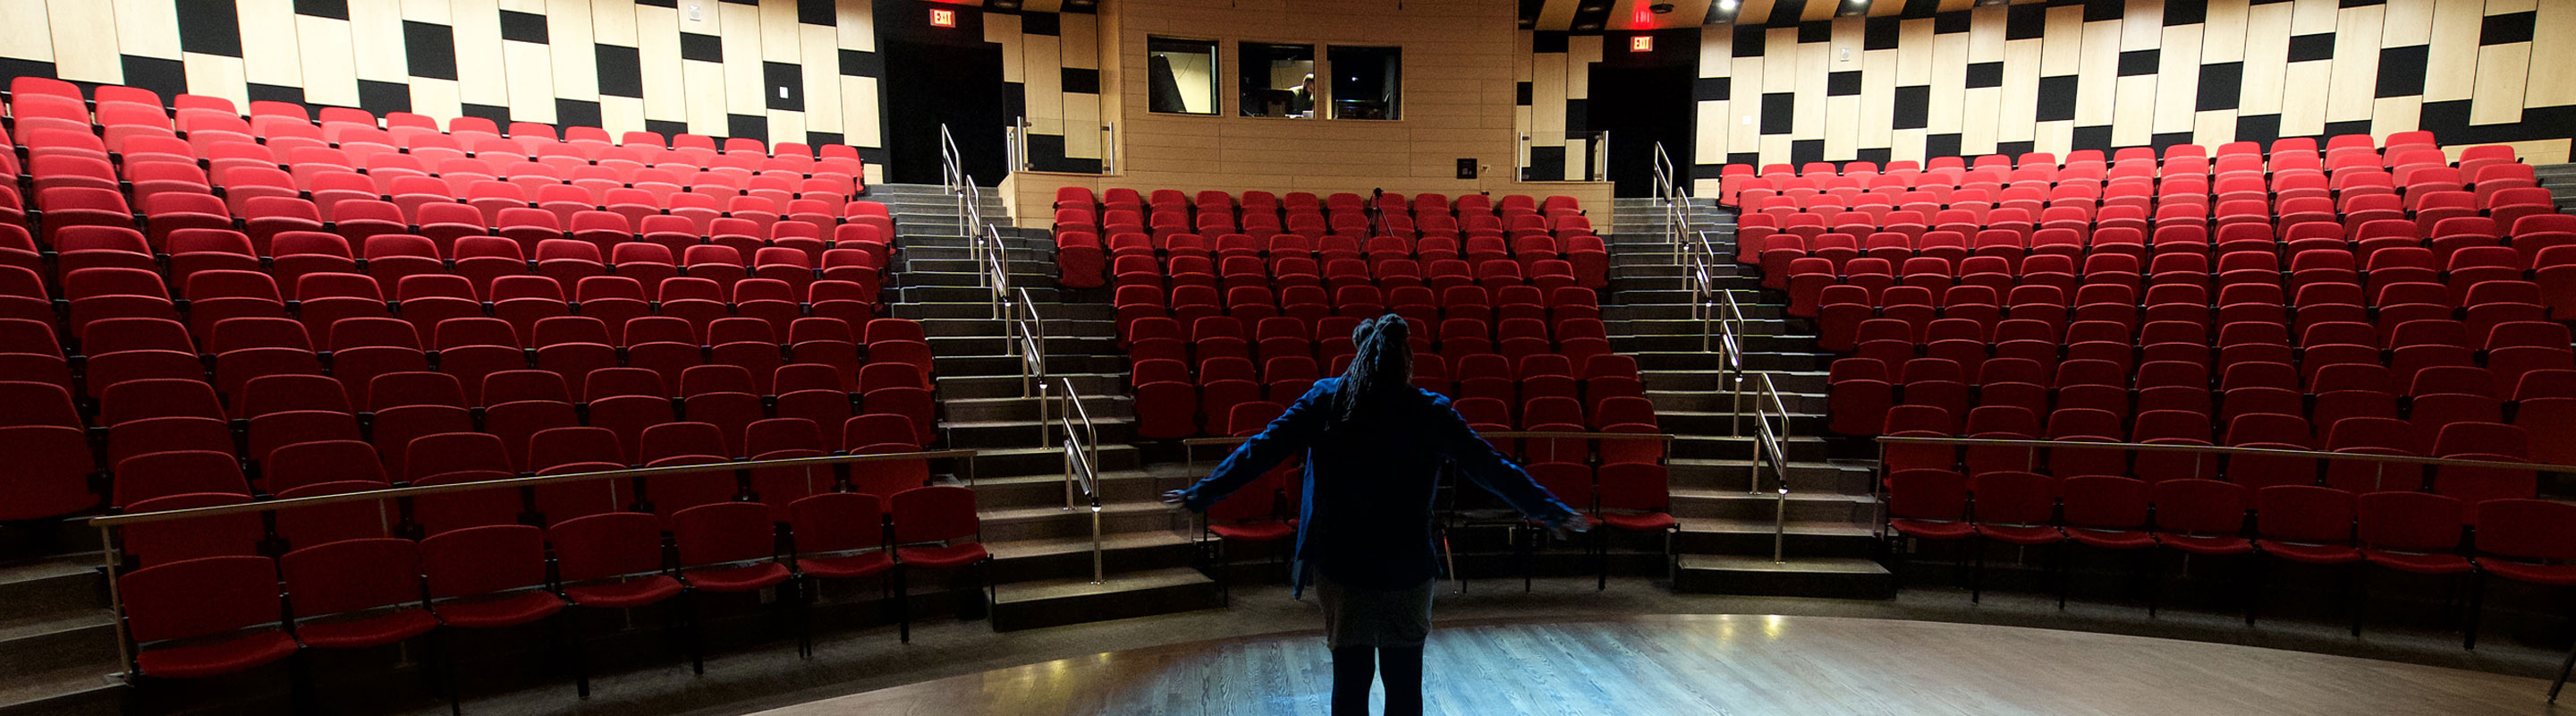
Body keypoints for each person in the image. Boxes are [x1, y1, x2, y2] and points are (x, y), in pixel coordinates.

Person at [1163, 314, 1591, 716]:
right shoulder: (1429, 412)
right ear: (1407, 362)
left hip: (1342, 568)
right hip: (1406, 569)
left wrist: (1202, 494)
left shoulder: (1325, 401)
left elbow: (1260, 451)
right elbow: (1493, 469)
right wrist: (1550, 511)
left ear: (1358, 357)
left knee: (1349, 683)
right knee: (1405, 685)